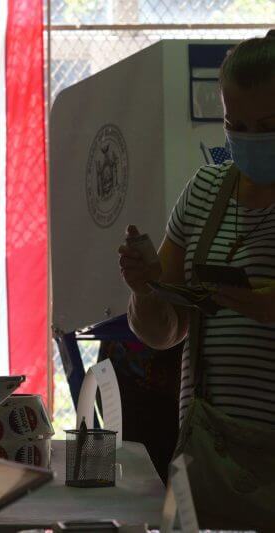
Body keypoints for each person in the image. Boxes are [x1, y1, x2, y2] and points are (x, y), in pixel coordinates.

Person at [119, 32, 275, 528]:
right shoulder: (205, 191)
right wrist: (146, 288)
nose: (250, 138)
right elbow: (166, 332)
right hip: (210, 457)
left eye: (268, 126)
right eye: (237, 125)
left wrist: (250, 303)